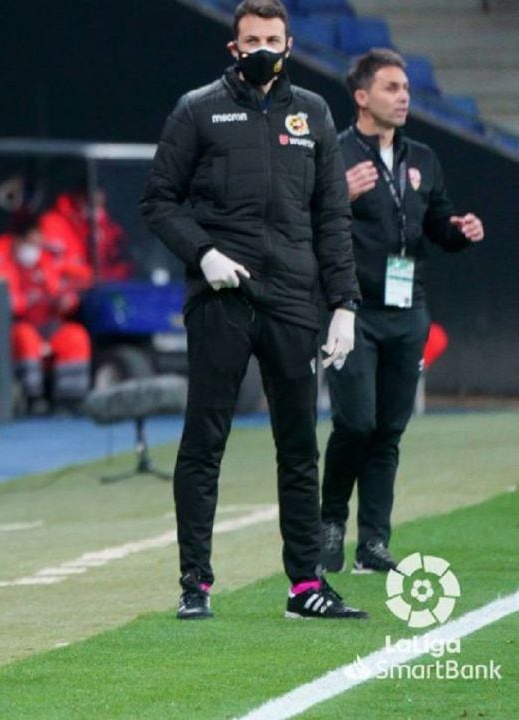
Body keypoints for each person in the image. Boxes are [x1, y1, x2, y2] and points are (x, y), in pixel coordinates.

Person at [139, 0, 367, 621]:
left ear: (289, 44)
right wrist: (204, 253)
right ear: (232, 48)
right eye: (251, 39)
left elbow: (332, 218)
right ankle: (195, 583)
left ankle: (305, 586)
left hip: (295, 298)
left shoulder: (314, 112)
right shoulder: (198, 108)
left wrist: (344, 303)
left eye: (272, 37)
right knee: (204, 440)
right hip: (222, 296)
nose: (262, 47)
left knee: (298, 445)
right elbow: (158, 201)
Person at [320, 49, 484, 574]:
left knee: (389, 428)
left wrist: (459, 231)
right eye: (391, 88)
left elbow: (436, 224)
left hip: (407, 307)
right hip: (352, 310)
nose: (404, 96)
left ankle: (373, 542)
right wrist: (337, 197)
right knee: (355, 422)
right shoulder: (333, 155)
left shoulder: (424, 159)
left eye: (406, 88)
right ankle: (329, 523)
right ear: (361, 97)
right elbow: (305, 223)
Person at [0, 213, 91, 411]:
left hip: (48, 322)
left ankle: (70, 401)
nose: (36, 248)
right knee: (26, 338)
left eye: (39, 242)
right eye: (32, 242)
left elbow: (71, 283)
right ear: (19, 239)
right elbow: (6, 303)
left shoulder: (46, 256)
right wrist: (29, 300)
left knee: (75, 336)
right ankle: (32, 398)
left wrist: (66, 301)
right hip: (16, 326)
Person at [39, 185, 133, 282]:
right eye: (92, 203)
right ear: (80, 198)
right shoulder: (53, 222)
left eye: (100, 204)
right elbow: (52, 263)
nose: (96, 209)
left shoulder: (108, 228)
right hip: (68, 288)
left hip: (101, 286)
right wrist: (88, 274)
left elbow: (119, 261)